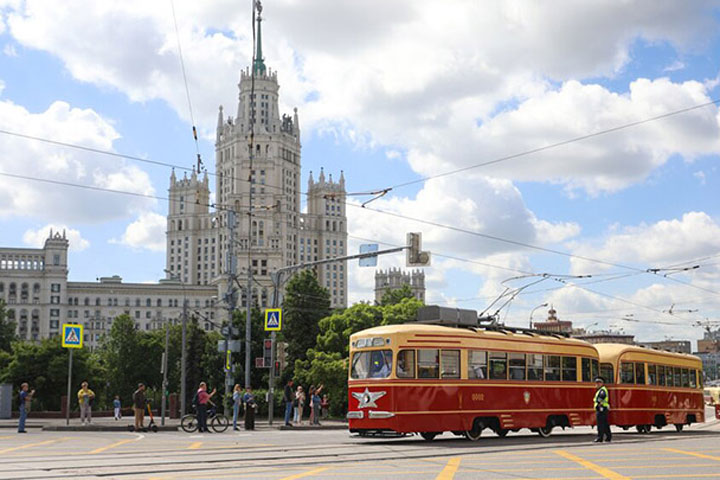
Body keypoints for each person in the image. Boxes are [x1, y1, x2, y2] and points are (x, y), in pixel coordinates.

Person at [594, 376, 612, 443]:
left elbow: (601, 398)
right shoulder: (601, 390)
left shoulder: (602, 390)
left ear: (602, 383)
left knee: (600, 424)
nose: (597, 384)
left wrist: (599, 404)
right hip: (603, 408)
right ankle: (608, 437)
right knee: (605, 424)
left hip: (601, 408)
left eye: (599, 383)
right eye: (597, 383)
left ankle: (600, 438)